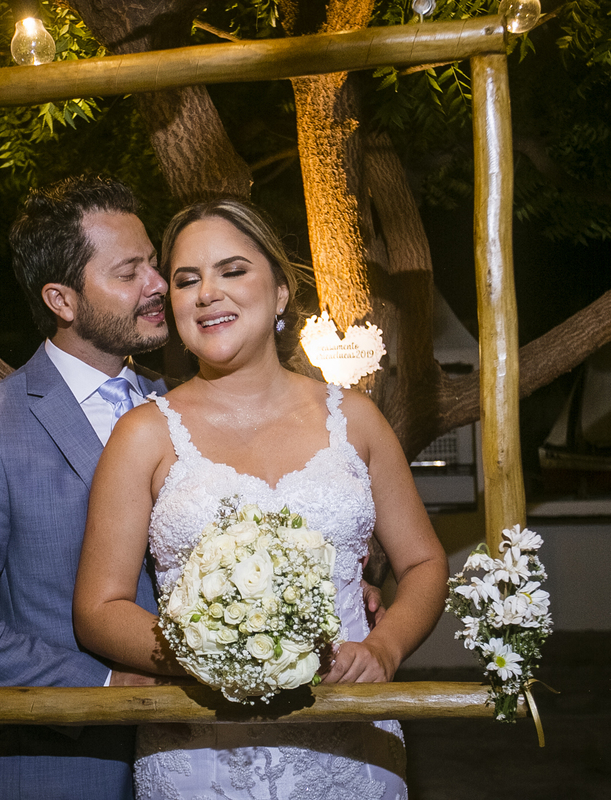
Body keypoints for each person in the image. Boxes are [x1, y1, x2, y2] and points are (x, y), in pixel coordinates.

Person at [74, 199, 449, 799]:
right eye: (186, 280)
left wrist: (385, 646)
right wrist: (210, 651)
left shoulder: (355, 420)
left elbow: (424, 562)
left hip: (347, 743)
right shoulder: (143, 434)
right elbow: (99, 608)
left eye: (232, 270)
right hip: (200, 755)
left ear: (279, 292)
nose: (207, 294)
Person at [0, 175, 171, 799]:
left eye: (153, 263)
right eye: (129, 271)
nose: (158, 284)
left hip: (198, 761)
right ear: (62, 300)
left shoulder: (183, 407)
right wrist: (101, 689)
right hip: (52, 769)